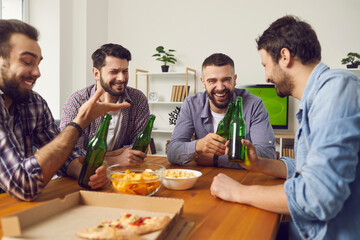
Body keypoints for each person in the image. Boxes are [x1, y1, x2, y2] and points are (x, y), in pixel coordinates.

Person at [210, 15, 360, 239]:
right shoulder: (316, 98)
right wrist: (260, 164)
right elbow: (305, 167)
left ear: (285, 56)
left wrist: (239, 192)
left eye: (265, 66)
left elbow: (318, 196)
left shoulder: (336, 90)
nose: (266, 76)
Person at [0, 19, 130, 201]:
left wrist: (87, 173)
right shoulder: (76, 99)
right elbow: (25, 185)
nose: (37, 72)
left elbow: (64, 156)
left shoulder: (33, 102)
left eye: (38, 63)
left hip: (18, 206)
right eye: (27, 61)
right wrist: (80, 122)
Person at [167, 53, 276, 168]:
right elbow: (172, 152)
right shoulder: (191, 104)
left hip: (243, 180)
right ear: (203, 82)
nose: (220, 87)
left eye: (226, 80)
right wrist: (197, 146)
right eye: (212, 81)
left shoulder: (254, 105)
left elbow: (267, 156)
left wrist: (216, 159)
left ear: (234, 80)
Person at [60, 44, 150, 166]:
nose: (122, 78)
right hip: (79, 177)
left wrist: (95, 155)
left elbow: (138, 148)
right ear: (96, 73)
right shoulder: (77, 101)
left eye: (125, 71)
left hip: (122, 174)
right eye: (114, 72)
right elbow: (69, 153)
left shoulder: (138, 99)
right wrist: (115, 159)